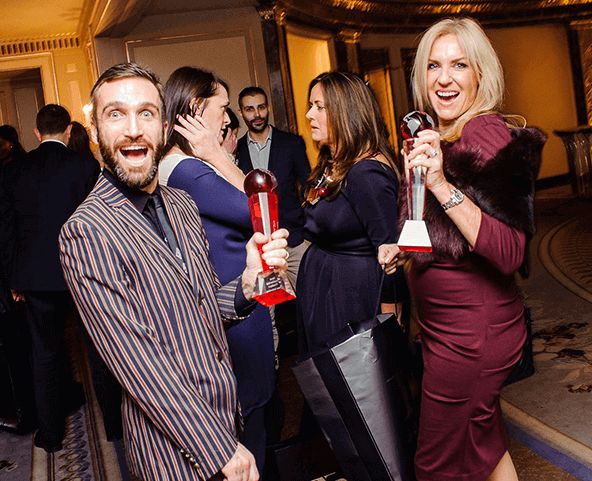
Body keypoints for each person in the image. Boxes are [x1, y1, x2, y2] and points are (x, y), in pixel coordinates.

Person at [59, 62, 289, 481]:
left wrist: (247, 283)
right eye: (116, 114)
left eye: (146, 113)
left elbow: (201, 307)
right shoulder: (86, 230)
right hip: (173, 449)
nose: (133, 129)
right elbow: (138, 364)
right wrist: (220, 449)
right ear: (95, 131)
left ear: (164, 127)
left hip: (228, 413)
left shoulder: (181, 205)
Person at [380, 17, 546, 481]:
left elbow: (510, 251)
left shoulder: (485, 135)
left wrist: (440, 183)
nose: (444, 78)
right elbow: (451, 230)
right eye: (433, 65)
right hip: (451, 330)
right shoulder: (447, 134)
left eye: (459, 65)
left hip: (471, 336)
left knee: (436, 467)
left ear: (480, 74)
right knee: (485, 445)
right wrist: (407, 248)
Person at [159, 66, 276, 475]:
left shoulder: (182, 166)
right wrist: (215, 154)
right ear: (195, 107)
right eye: (222, 107)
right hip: (232, 307)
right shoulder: (187, 169)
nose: (227, 119)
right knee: (249, 425)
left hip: (230, 301)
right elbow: (263, 210)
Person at [9, 104, 99, 452]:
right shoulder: (84, 165)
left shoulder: (16, 169)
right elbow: (97, 224)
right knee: (99, 350)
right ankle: (115, 427)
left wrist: (14, 278)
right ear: (68, 130)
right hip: (81, 272)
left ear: (36, 132)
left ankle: (50, 435)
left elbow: (8, 228)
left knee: (44, 354)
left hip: (35, 276)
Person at [297, 71, 400, 355]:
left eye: (319, 107)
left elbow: (390, 258)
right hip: (327, 291)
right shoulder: (335, 161)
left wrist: (390, 325)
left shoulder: (366, 173)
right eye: (310, 105)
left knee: (352, 376)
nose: (309, 115)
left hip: (350, 299)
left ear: (346, 111)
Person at [237, 86, 310, 286]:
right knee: (269, 303)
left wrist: (308, 234)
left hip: (294, 241)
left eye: (261, 107)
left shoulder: (292, 143)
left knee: (309, 296)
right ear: (240, 112)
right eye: (250, 109)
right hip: (258, 247)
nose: (257, 114)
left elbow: (308, 187)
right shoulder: (236, 150)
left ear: (268, 107)